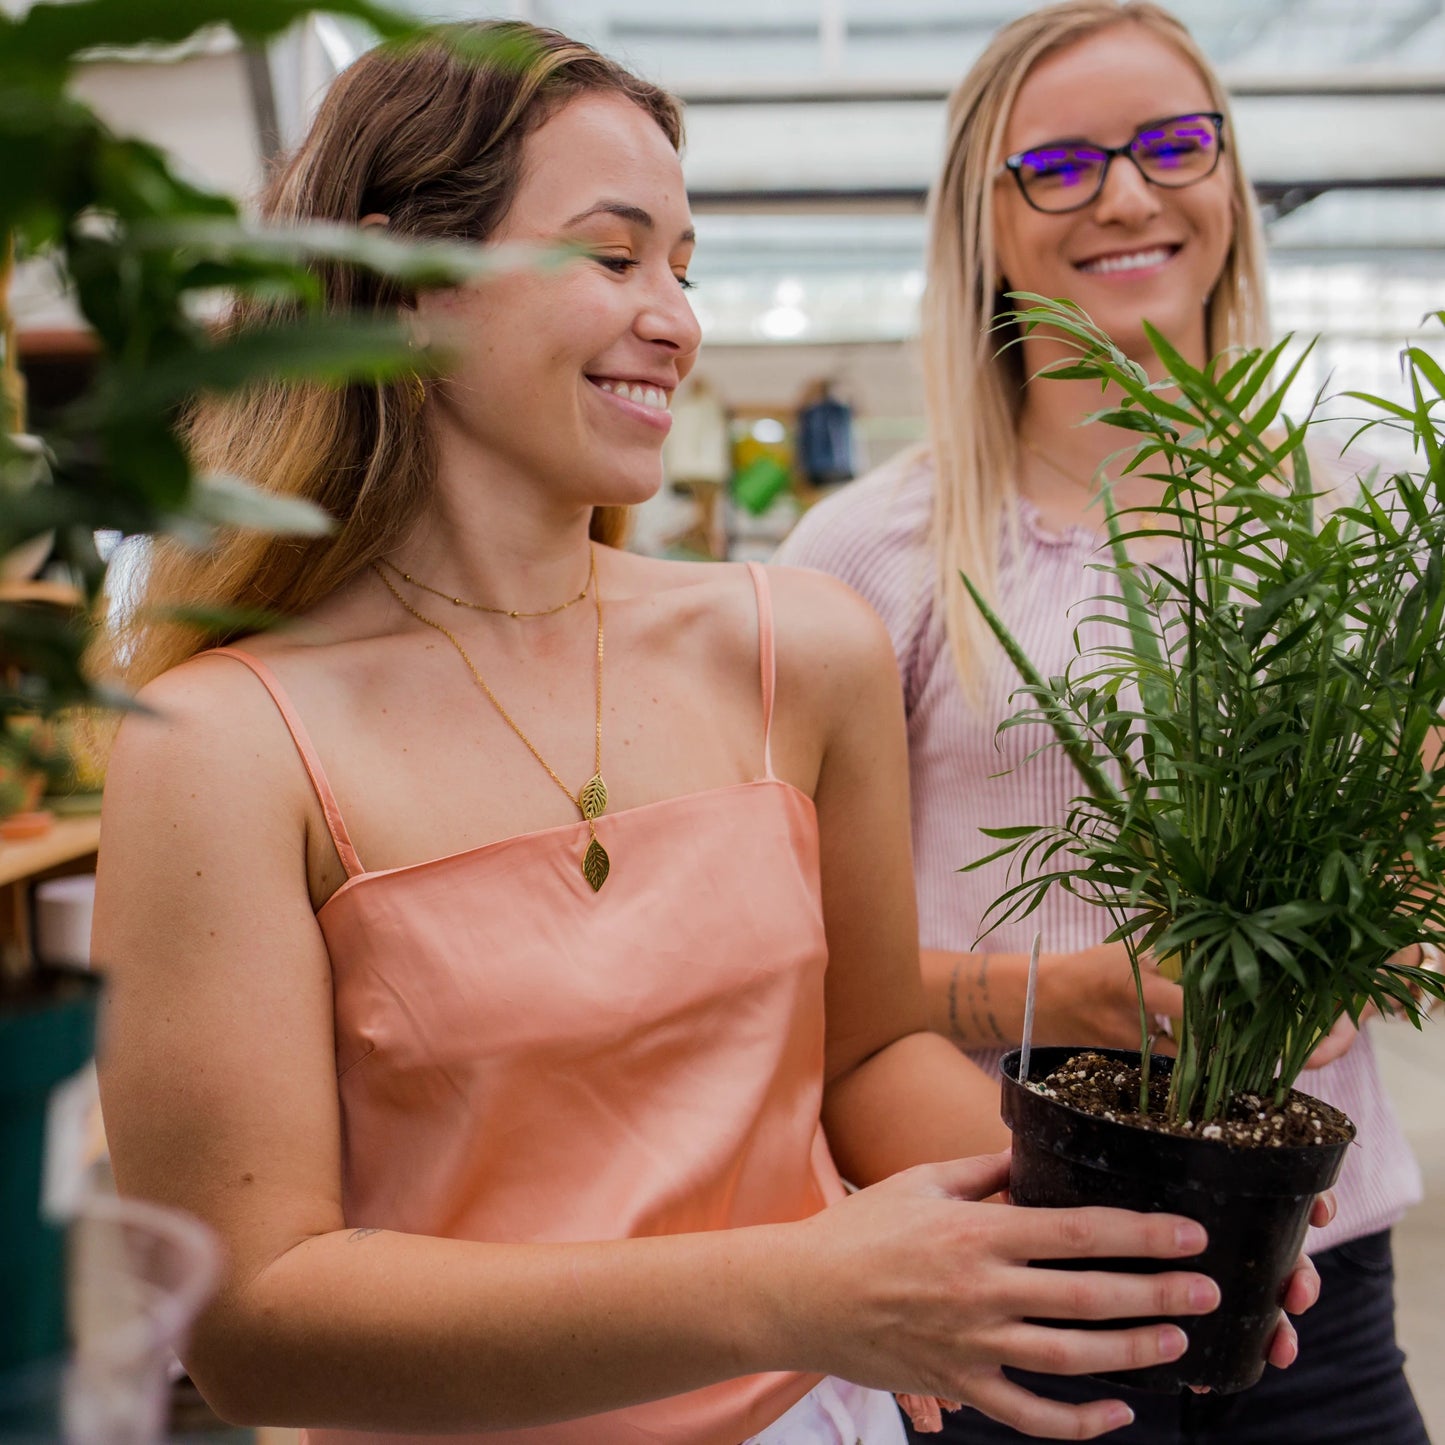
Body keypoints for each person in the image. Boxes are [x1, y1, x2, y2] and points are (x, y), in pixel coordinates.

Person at [89, 20, 1268, 1445]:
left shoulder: (793, 646)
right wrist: (798, 1286)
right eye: (610, 255)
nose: (676, 316)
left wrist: (1127, 1230)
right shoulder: (218, 741)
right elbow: (254, 1321)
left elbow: (866, 1060)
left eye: (683, 267)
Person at [774, 4, 1428, 1443]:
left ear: (1228, 184)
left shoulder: (1357, 511)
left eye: (1172, 145)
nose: (1127, 195)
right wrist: (1052, 997)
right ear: (980, 223)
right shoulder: (866, 556)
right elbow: (791, 963)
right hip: (1007, 1254)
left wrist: (1347, 959)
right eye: (1059, 165)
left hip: (1319, 1274)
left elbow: (1421, 863)